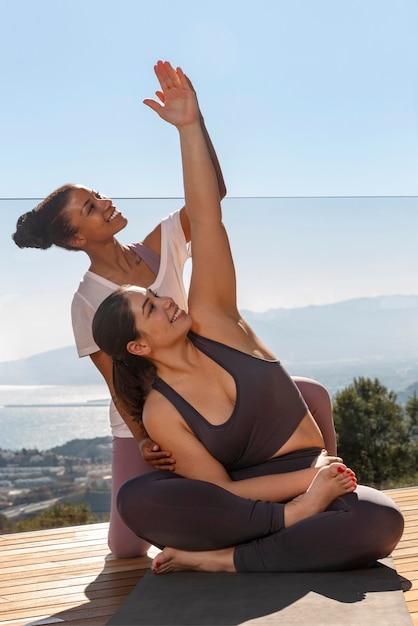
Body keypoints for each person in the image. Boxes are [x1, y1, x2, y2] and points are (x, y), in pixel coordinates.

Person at [92, 60, 404, 574]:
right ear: (139, 346)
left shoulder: (214, 319)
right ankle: (285, 535)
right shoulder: (159, 412)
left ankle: (222, 560)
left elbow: (207, 215)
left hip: (302, 476)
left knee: (378, 520)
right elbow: (220, 491)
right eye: (151, 307)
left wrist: (191, 128)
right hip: (261, 497)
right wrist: (304, 498)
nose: (168, 300)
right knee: (140, 499)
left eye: (158, 296)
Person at [12, 71, 335, 561]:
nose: (105, 204)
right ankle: (251, 520)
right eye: (91, 209)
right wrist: (146, 440)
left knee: (311, 393)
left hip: (210, 390)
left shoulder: (158, 243)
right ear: (77, 239)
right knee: (125, 547)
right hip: (157, 419)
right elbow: (119, 382)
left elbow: (211, 199)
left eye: (97, 195)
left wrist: (193, 123)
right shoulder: (87, 301)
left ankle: (328, 487)